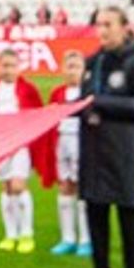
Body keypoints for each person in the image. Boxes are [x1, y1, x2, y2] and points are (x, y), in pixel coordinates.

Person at [77, 6, 134, 268]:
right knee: (95, 214)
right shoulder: (92, 63)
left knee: (128, 217)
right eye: (99, 25)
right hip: (95, 152)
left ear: (125, 27)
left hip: (126, 152)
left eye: (109, 24)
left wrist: (101, 104)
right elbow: (83, 102)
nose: (103, 30)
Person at [0, 48, 57, 252]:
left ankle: (26, 234)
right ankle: (10, 234)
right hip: (0, 145)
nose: (8, 70)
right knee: (6, 188)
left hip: (21, 145)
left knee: (18, 185)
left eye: (12, 66)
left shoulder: (28, 90)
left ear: (19, 67)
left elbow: (37, 115)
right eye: (4, 65)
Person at [49, 48, 90, 256]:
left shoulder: (88, 93)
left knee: (83, 189)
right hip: (62, 142)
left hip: (82, 142)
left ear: (84, 70)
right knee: (65, 187)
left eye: (76, 67)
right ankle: (67, 238)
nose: (72, 71)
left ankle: (85, 239)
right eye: (69, 67)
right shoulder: (57, 93)